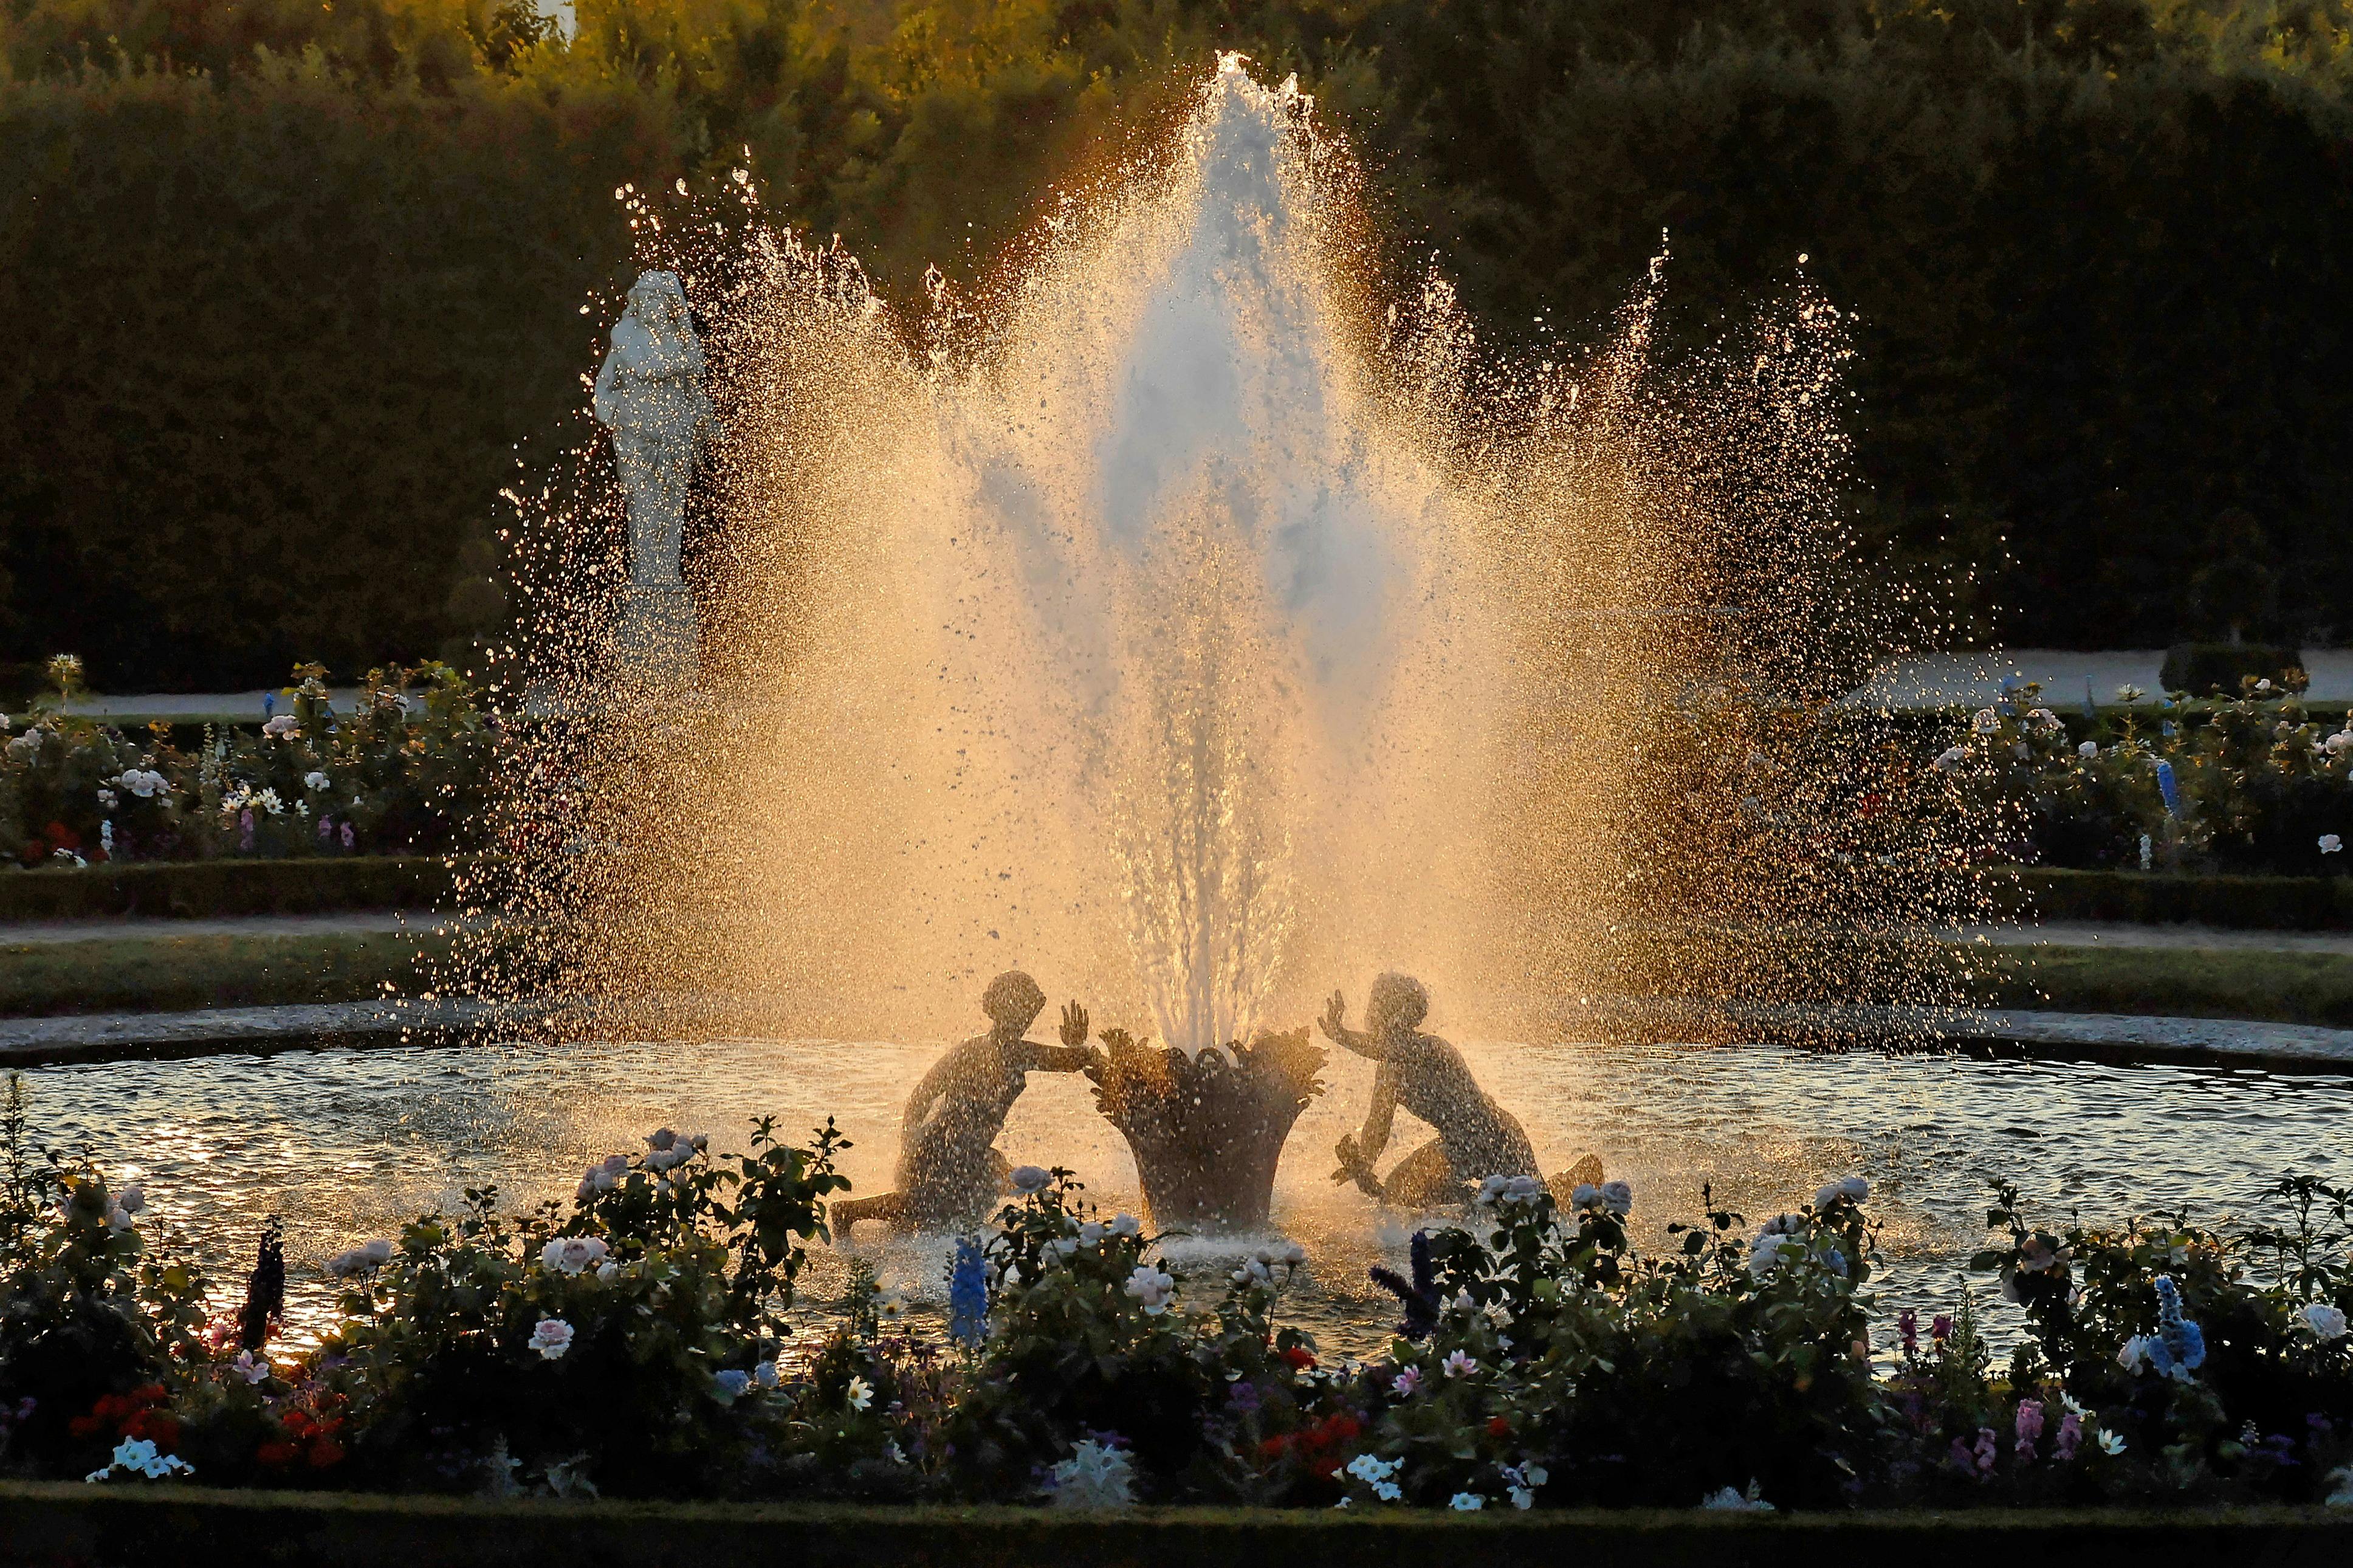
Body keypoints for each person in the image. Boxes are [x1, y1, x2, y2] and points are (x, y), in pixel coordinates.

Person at [832, 972, 1096, 1238]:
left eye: (1030, 1012)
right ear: (999, 1010)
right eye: (1019, 1010)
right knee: (929, 1211)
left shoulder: (1020, 1053)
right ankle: (848, 1212)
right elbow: (921, 1097)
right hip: (940, 1151)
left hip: (972, 1152)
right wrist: (910, 1144)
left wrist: (1076, 1044)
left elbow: (1072, 1061)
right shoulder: (976, 1052)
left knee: (969, 1204)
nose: (1025, 1019)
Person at [1321, 972, 1549, 1209]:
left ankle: (1486, 1204)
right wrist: (1363, 1166)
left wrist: (1342, 1036)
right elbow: (1377, 1128)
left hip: (1496, 1135)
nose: (1369, 1011)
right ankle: (1477, 1204)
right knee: (1397, 1197)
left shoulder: (1429, 1048)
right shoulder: (1388, 1072)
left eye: (1376, 1002)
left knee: (1540, 1207)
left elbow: (1390, 1048)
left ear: (1395, 1012)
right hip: (1457, 1145)